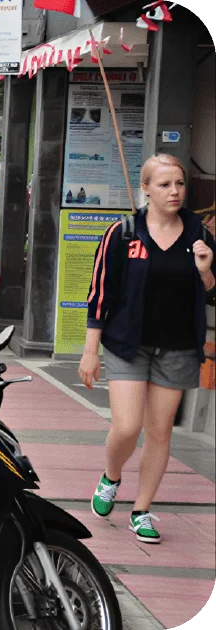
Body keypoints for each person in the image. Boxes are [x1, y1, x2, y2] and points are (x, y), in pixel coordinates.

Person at [81, 154, 216, 544]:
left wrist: (206, 271)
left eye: (179, 184)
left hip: (177, 347)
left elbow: (214, 293)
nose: (174, 192)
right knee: (126, 427)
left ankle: (142, 510)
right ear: (145, 189)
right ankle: (111, 476)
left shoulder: (200, 234)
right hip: (127, 343)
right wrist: (91, 350)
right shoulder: (123, 233)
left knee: (159, 433)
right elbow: (99, 294)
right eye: (164, 184)